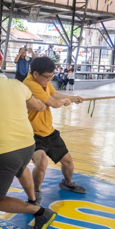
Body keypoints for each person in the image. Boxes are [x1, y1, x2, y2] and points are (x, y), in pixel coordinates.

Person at [0, 62, 57, 229]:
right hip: (28, 144)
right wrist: (43, 106)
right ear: (2, 72)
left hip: (4, 151)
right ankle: (33, 200)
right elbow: (36, 105)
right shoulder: (19, 85)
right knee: (21, 168)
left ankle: (40, 213)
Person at [24, 57, 87, 200]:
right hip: (33, 134)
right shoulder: (30, 85)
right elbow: (53, 103)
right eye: (47, 77)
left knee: (68, 162)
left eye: (51, 76)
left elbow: (53, 94)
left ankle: (67, 182)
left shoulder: (43, 82)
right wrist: (65, 102)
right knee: (42, 162)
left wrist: (72, 97)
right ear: (35, 74)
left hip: (49, 131)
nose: (49, 80)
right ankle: (36, 192)